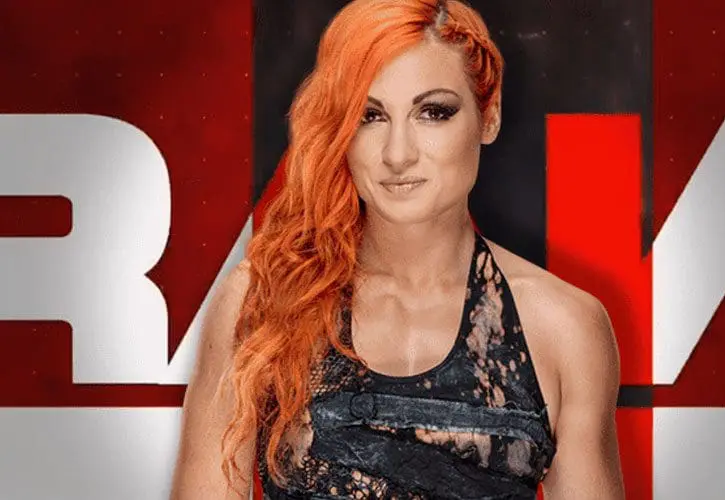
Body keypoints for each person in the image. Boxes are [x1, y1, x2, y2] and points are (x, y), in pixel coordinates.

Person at [170, 0, 624, 498]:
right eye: (369, 116)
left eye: (433, 112)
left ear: (489, 115)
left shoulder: (562, 327)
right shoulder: (262, 303)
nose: (398, 153)